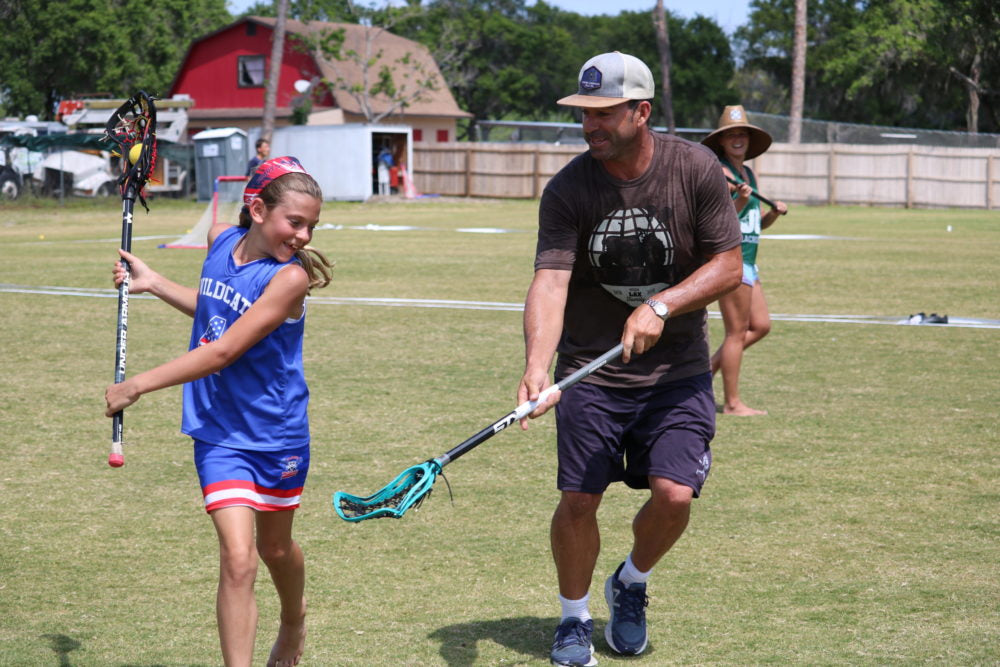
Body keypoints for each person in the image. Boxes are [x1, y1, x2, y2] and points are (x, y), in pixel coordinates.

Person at [516, 52, 742, 667]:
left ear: (641, 112)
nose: (589, 125)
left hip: (678, 373)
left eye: (602, 113)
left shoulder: (695, 169)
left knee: (674, 496)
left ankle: (631, 582)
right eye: (583, 113)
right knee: (580, 500)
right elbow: (551, 280)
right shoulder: (568, 188)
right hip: (591, 369)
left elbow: (728, 264)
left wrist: (663, 306)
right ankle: (572, 619)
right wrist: (539, 366)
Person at [104, 156, 334, 667]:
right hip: (219, 432)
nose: (303, 235)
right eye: (294, 221)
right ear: (256, 209)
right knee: (237, 559)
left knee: (275, 550)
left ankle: (294, 619)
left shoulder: (289, 280)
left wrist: (138, 384)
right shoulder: (219, 240)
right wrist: (156, 282)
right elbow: (214, 309)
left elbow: (225, 349)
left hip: (277, 434)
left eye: (311, 226)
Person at [701, 105, 788, 416]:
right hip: (731, 260)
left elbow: (755, 224)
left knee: (761, 326)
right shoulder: (720, 172)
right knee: (735, 333)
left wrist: (773, 214)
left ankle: (708, 370)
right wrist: (738, 198)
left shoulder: (747, 173)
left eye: (742, 134)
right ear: (722, 142)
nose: (737, 139)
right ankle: (733, 404)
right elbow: (721, 220)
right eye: (731, 135)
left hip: (751, 260)